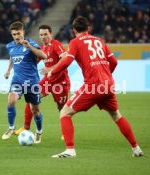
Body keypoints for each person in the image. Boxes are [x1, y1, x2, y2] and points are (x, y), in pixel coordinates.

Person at [47, 16, 143, 158]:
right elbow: (114, 62)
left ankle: (70, 150)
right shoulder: (99, 41)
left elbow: (67, 60)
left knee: (65, 112)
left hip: (94, 86)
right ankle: (136, 148)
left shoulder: (75, 42)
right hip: (108, 84)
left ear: (74, 30)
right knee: (116, 115)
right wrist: (105, 74)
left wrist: (52, 70)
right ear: (89, 28)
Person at [14, 25, 71, 143]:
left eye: (46, 34)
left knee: (62, 109)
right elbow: (34, 60)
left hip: (61, 82)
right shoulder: (42, 48)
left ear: (51, 34)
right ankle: (26, 128)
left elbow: (65, 59)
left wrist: (51, 69)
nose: (43, 37)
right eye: (41, 35)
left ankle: (65, 133)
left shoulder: (56, 45)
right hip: (48, 81)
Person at [2, 21, 46, 143]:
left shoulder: (30, 43)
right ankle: (11, 128)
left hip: (32, 82)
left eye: (18, 33)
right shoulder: (10, 46)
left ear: (23, 32)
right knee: (11, 101)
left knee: (35, 110)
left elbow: (43, 56)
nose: (16, 36)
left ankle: (39, 131)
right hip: (17, 80)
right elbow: (12, 57)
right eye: (14, 34)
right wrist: (8, 70)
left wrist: (29, 47)